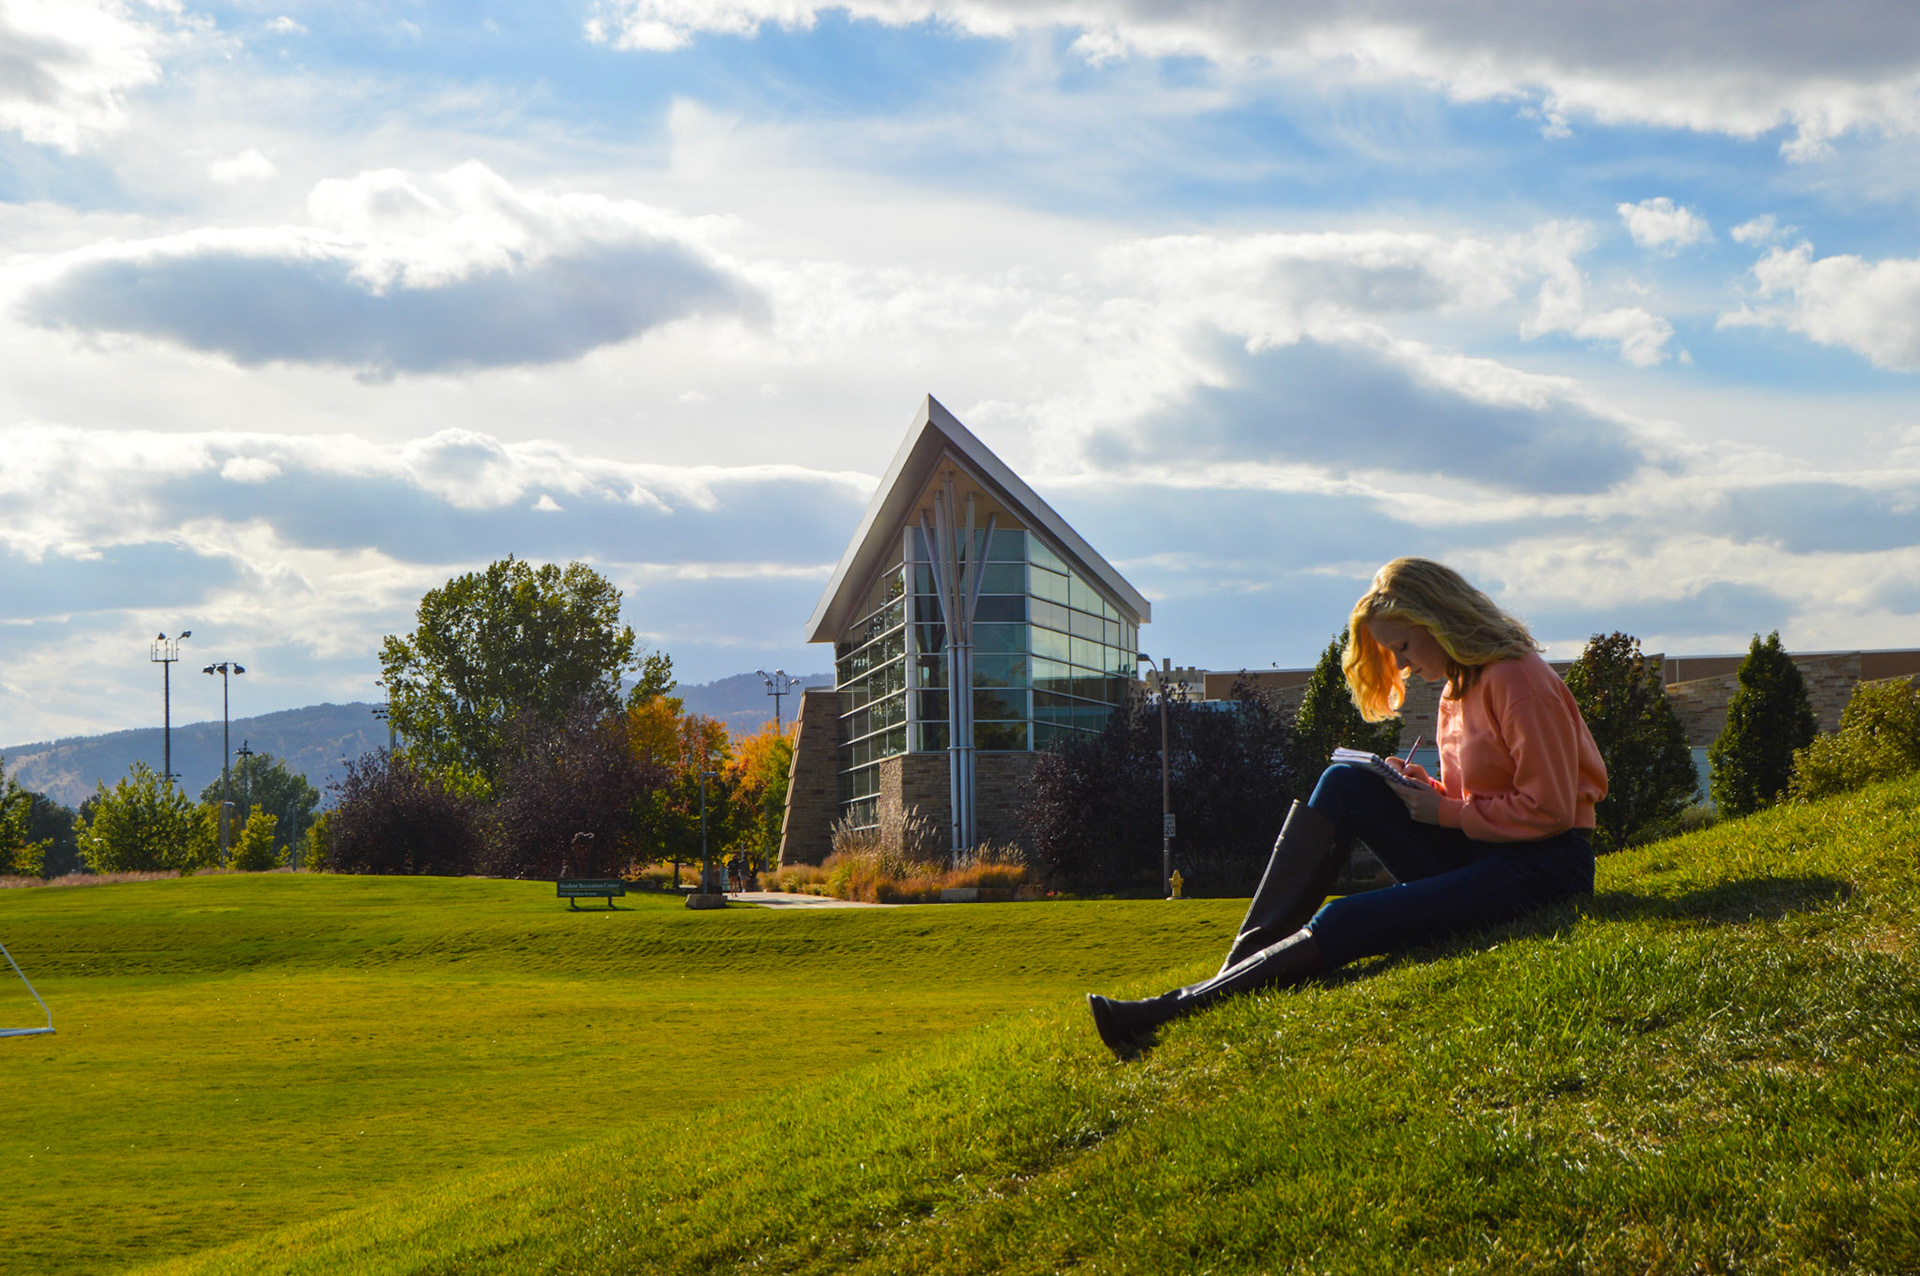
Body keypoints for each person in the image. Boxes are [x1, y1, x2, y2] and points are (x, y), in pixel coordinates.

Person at [1087, 557, 1608, 1057]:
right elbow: (1484, 798)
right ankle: (1239, 968)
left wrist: (1446, 813)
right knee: (1345, 781)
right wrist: (1429, 791)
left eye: (1403, 645)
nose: (1402, 662)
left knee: (1345, 918)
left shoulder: (1517, 679)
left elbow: (1551, 810)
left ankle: (1171, 1010)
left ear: (1439, 619)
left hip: (1544, 869)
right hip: (1485, 852)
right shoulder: (1457, 690)